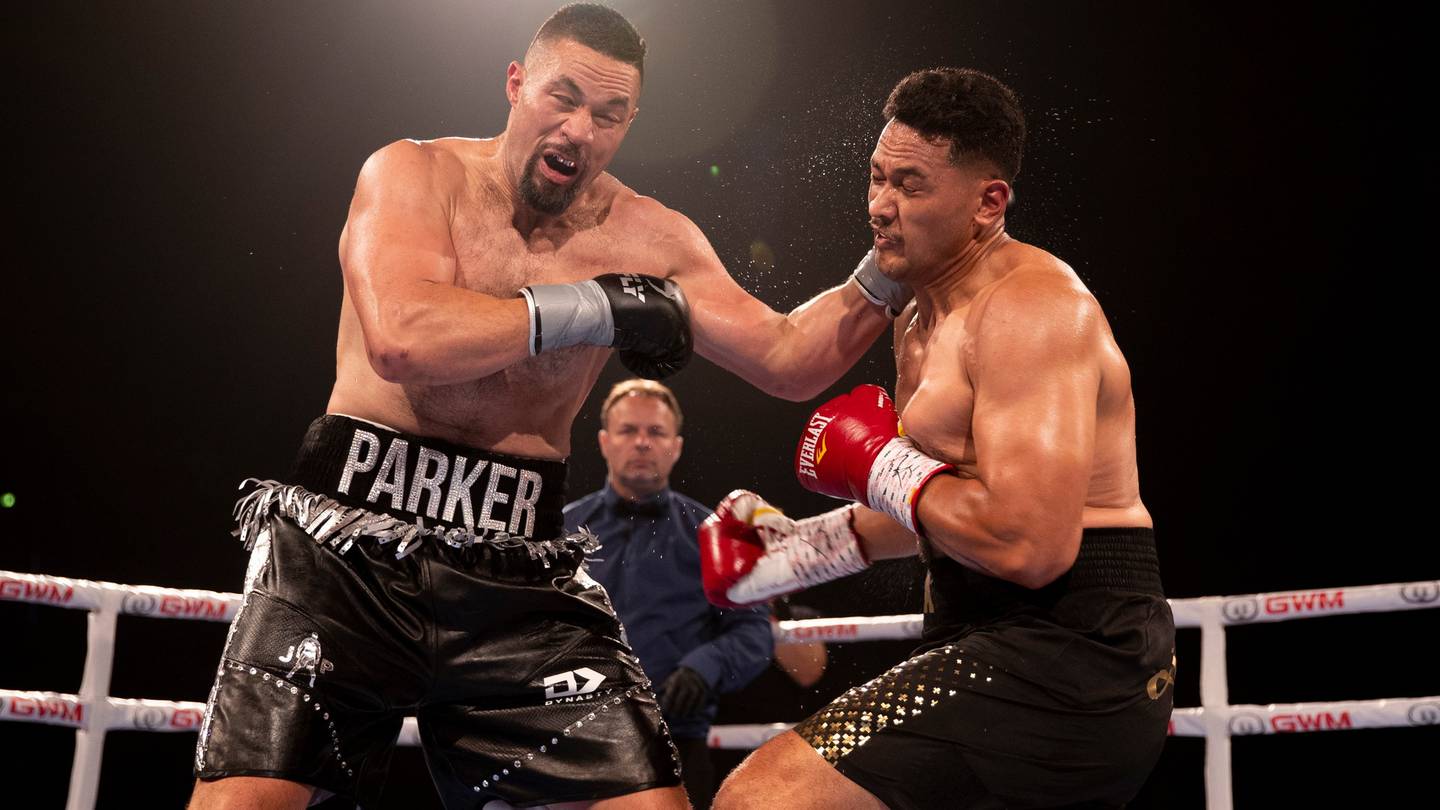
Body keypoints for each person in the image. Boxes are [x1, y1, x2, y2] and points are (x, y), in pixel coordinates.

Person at [188, 4, 904, 808]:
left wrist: (897, 262)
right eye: (561, 98)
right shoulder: (413, 175)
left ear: (631, 123)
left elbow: (787, 357)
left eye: (609, 114)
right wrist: (598, 306)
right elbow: (403, 337)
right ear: (516, 84)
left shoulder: (650, 236)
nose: (579, 130)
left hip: (517, 574)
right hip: (346, 557)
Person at [701, 68, 1176, 809]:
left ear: (989, 203)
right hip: (977, 631)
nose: (880, 208)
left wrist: (881, 460)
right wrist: (791, 554)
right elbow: (948, 512)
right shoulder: (918, 321)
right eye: (876, 179)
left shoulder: (1032, 309)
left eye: (911, 186)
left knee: (762, 798)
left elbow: (1029, 545)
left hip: (1071, 650)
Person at [563, 379, 773, 809]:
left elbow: (755, 633)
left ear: (675, 446)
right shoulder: (562, 532)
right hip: (573, 735)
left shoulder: (712, 534)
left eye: (655, 432)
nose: (642, 443)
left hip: (673, 741)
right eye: (628, 431)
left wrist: (705, 667)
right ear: (604, 442)